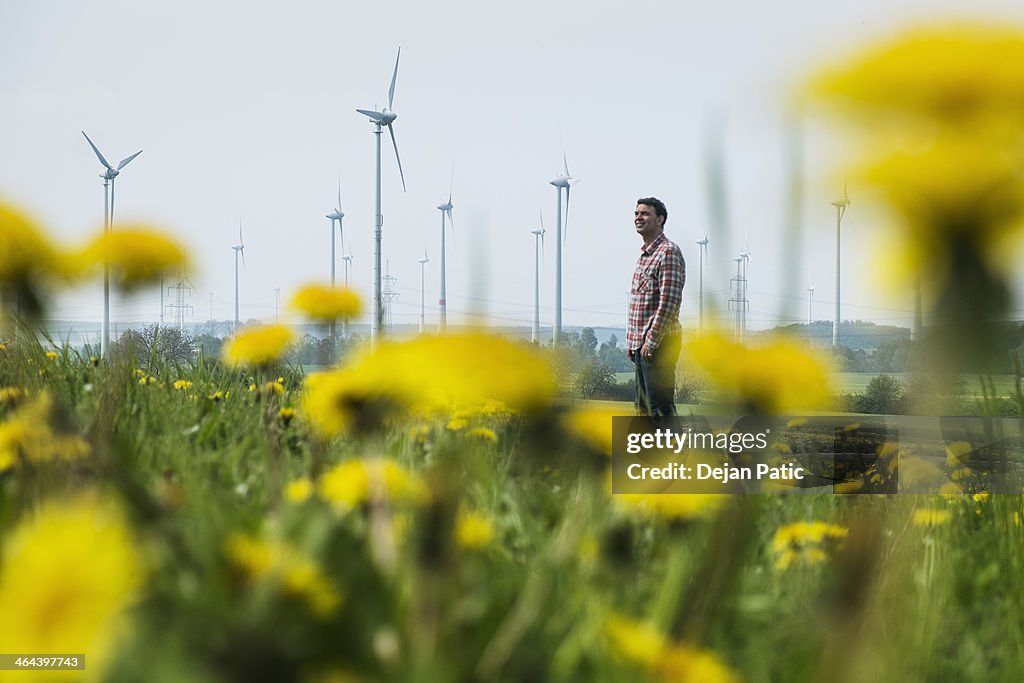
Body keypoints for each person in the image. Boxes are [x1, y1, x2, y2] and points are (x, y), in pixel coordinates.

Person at [627, 197, 685, 416]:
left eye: (645, 214)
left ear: (660, 219)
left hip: (659, 342)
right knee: (643, 408)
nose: (638, 218)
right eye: (636, 214)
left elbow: (668, 302)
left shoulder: (668, 252)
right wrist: (633, 342)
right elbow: (640, 303)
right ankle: (649, 451)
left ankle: (676, 451)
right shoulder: (645, 255)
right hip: (643, 344)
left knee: (660, 408)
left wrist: (650, 341)